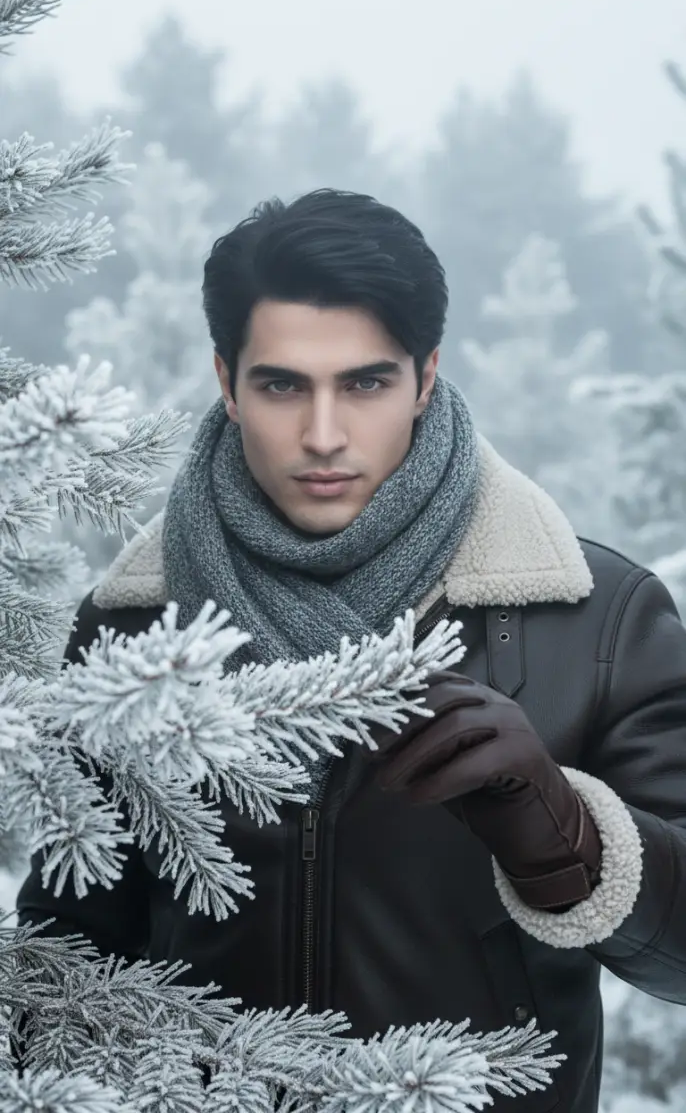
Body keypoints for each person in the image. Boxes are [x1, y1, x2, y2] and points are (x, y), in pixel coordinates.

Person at [17, 188, 686, 1112]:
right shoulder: (132, 624)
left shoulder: (597, 616)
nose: (323, 435)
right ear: (226, 380)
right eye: (282, 384)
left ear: (425, 376)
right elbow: (70, 960)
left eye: (366, 383)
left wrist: (566, 833)